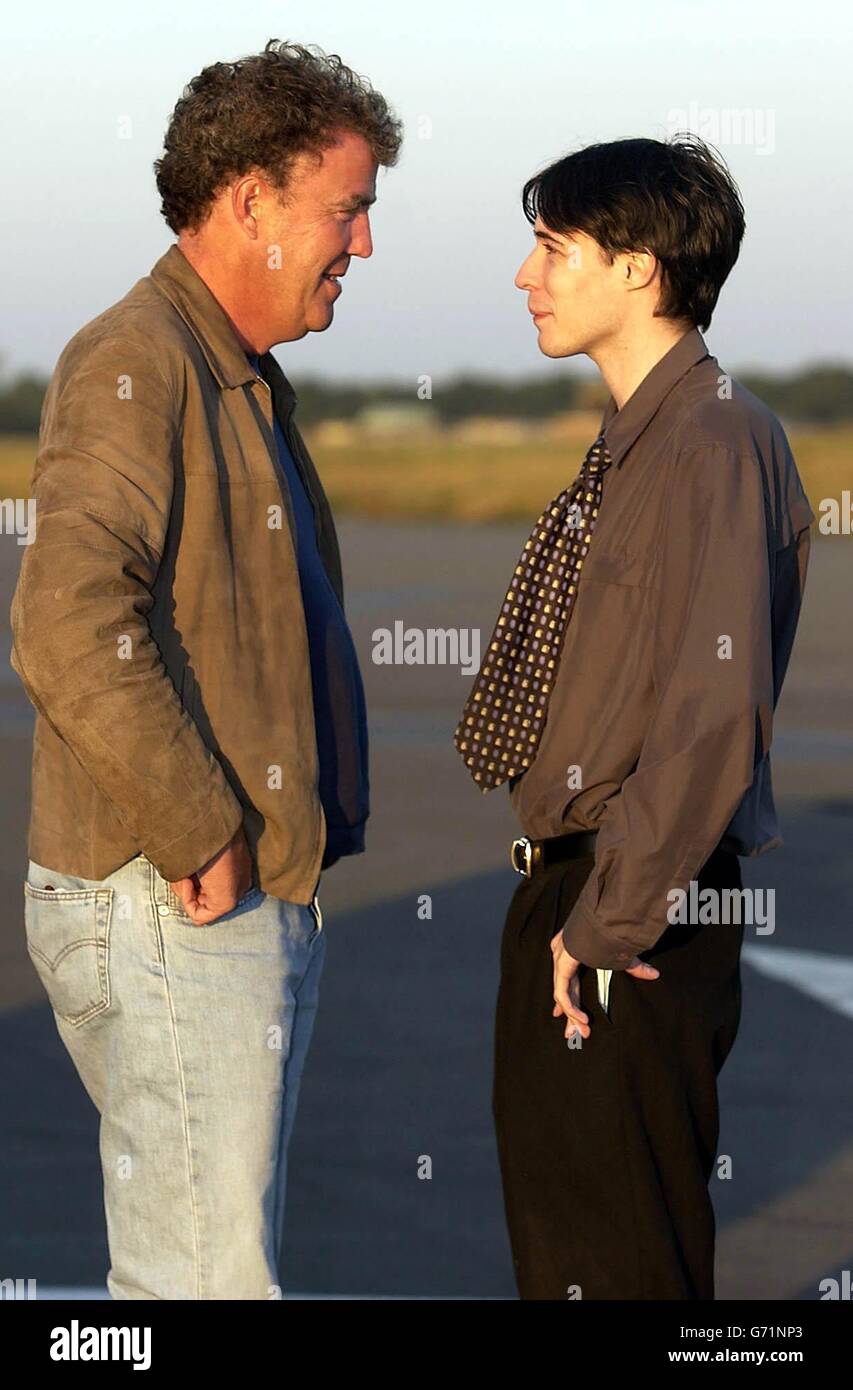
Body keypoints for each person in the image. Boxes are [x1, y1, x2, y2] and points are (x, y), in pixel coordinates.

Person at [11, 39, 401, 1300]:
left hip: (214, 893)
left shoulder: (234, 376)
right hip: (173, 896)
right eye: (348, 208)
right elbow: (69, 616)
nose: (364, 244)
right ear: (249, 202)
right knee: (203, 1290)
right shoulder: (138, 360)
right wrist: (203, 832)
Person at [454, 134, 814, 1300]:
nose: (525, 276)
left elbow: (711, 718)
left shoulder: (711, 439)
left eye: (554, 247)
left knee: (616, 1270)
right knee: (572, 1259)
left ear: (638, 270)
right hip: (582, 889)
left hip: (626, 906)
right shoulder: (644, 441)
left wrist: (603, 923)